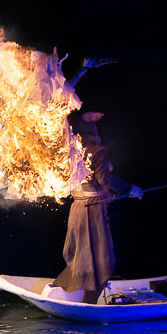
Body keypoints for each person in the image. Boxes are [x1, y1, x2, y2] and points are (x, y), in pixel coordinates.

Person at [49, 110, 143, 303]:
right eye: (92, 120)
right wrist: (130, 188)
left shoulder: (69, 151)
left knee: (79, 258)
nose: (96, 123)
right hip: (93, 210)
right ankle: (88, 304)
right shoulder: (98, 151)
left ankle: (68, 296)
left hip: (77, 208)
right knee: (102, 262)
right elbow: (105, 180)